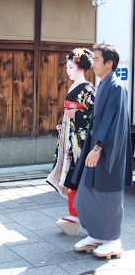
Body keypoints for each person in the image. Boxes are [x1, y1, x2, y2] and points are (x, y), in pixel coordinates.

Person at [72, 43, 133, 259]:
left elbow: (111, 120)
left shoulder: (116, 87)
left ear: (109, 63)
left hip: (108, 151)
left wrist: (98, 147)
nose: (93, 63)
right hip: (97, 147)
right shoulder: (104, 85)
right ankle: (97, 235)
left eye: (97, 60)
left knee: (108, 197)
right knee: (87, 193)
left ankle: (114, 240)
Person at [46, 48, 96, 235]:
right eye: (67, 67)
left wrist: (77, 115)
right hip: (70, 135)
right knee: (68, 171)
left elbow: (94, 115)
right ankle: (73, 215)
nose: (68, 70)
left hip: (79, 140)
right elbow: (69, 113)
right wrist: (62, 123)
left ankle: (77, 215)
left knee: (75, 172)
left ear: (81, 68)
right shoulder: (73, 87)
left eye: (71, 67)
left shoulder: (88, 89)